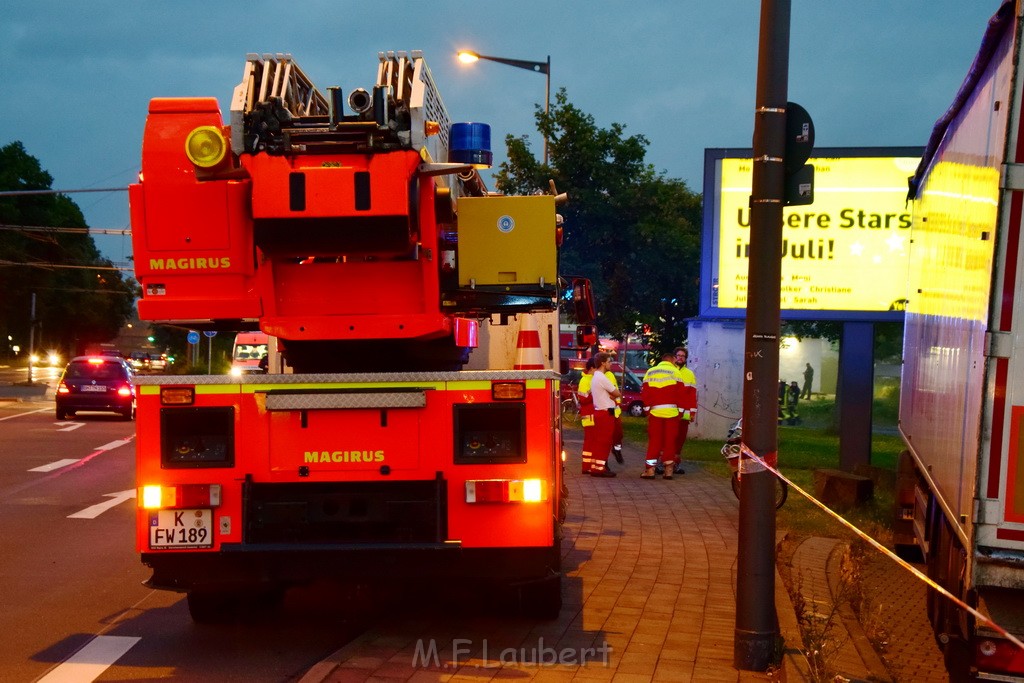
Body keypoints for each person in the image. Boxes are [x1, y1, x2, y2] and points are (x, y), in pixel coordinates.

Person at [640, 352, 682, 480]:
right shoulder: (676, 372)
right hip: (672, 413)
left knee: (654, 441)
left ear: (662, 360)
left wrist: (647, 410)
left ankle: (650, 470)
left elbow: (645, 393)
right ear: (672, 361)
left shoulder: (650, 372)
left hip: (655, 413)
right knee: (670, 441)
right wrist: (680, 412)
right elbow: (681, 394)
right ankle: (668, 470)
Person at [589, 352, 621, 478]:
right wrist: (613, 395)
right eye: (609, 361)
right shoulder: (602, 377)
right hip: (605, 413)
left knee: (598, 441)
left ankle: (595, 467)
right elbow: (617, 393)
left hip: (599, 411)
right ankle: (600, 468)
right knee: (605, 442)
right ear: (603, 363)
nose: (610, 364)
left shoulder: (595, 377)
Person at [577, 358, 597, 474]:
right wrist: (595, 393)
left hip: (591, 414)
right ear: (591, 369)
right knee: (590, 441)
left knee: (592, 441)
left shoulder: (590, 379)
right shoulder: (585, 381)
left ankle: (588, 465)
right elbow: (583, 399)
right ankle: (586, 466)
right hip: (589, 415)